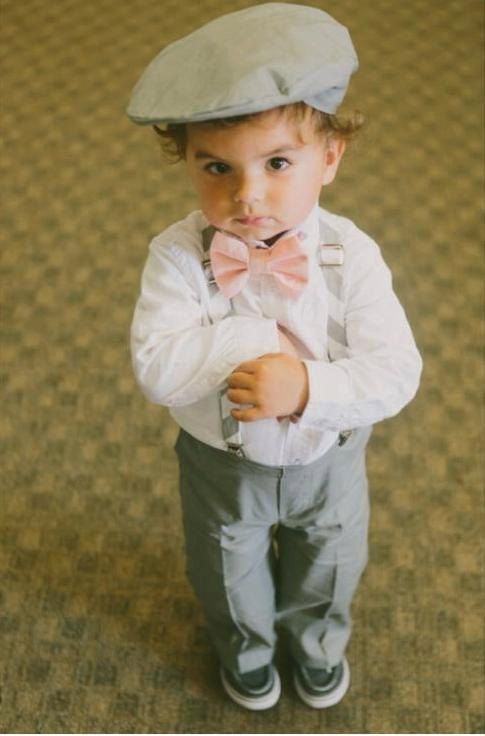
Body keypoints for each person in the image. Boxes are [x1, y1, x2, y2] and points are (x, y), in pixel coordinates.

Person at [127, 3, 422, 711]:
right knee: (226, 570)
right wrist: (247, 341)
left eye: (277, 162)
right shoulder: (176, 255)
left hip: (330, 453)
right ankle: (246, 653)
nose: (246, 195)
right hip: (222, 466)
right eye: (216, 166)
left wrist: (306, 387)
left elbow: (394, 371)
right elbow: (157, 367)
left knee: (330, 563)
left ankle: (317, 648)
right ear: (188, 161)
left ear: (329, 158)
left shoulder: (348, 254)